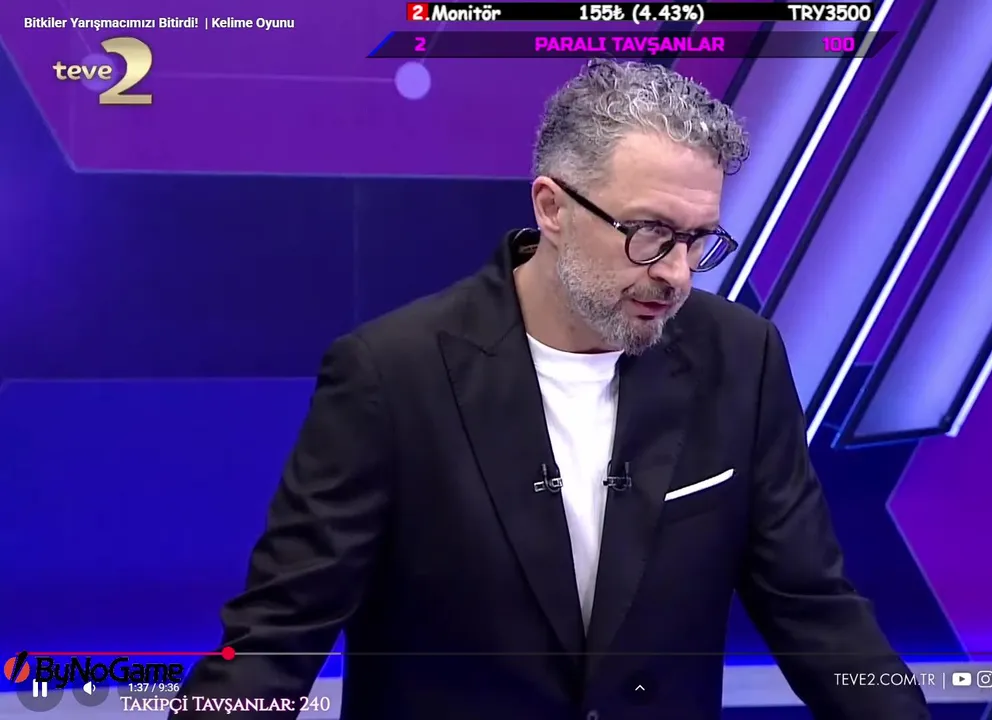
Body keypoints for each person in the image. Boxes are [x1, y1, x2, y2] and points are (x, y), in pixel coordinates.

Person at [173, 59, 927, 719]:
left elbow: (815, 609)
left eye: (698, 240)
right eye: (650, 233)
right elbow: (274, 637)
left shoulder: (740, 356)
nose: (676, 273)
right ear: (552, 207)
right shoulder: (392, 374)